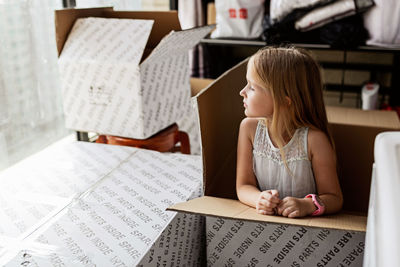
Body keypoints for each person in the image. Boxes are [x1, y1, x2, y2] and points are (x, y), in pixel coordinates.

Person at [236, 46, 343, 218]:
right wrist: (259, 199)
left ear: (284, 101)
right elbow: (243, 186)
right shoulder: (248, 129)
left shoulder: (314, 140)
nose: (242, 92)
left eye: (252, 88)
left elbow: (335, 198)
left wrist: (307, 205)